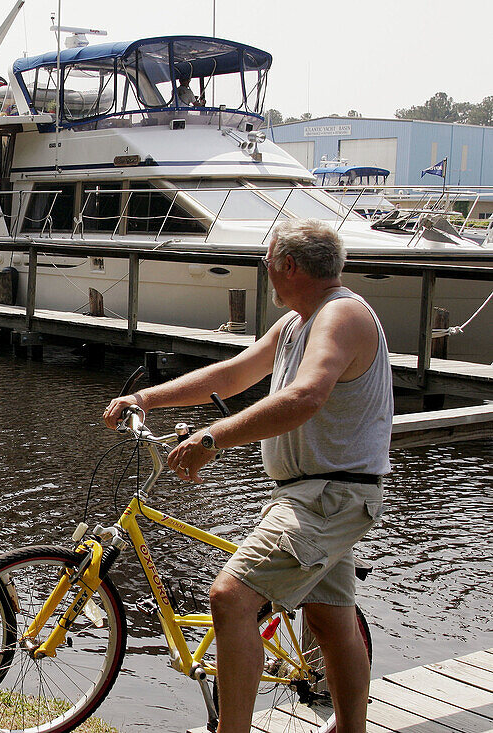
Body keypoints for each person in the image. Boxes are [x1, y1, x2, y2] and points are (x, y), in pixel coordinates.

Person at [103, 219, 391, 733]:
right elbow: (231, 376)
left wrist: (213, 438)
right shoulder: (296, 323)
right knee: (329, 620)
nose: (265, 273)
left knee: (231, 597)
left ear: (289, 265)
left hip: (327, 497)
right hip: (321, 495)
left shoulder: (340, 315)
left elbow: (306, 397)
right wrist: (146, 397)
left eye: (267, 262)